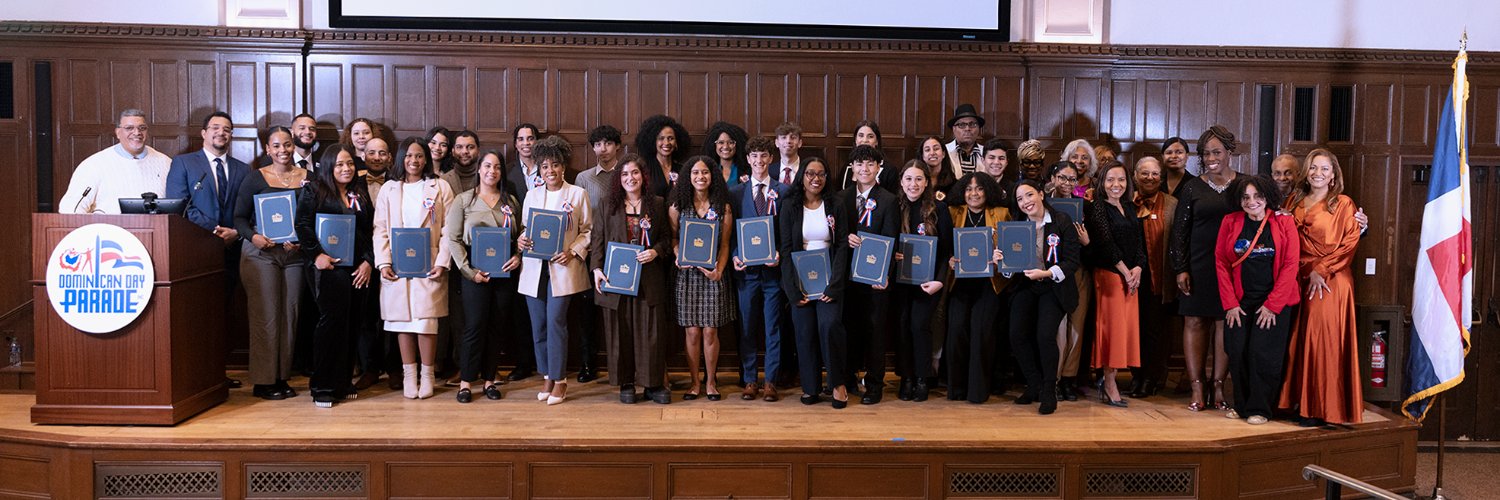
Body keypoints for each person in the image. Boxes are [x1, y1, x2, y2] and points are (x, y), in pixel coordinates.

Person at [1280, 149, 1364, 426]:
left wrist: (1321, 270)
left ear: (1333, 175)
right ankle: (1302, 403)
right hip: (1300, 277)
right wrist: (1307, 271)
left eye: (1324, 169)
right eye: (1313, 167)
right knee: (1300, 340)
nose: (1318, 173)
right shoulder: (1294, 200)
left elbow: (1350, 243)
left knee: (1323, 342)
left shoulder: (1343, 204)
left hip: (1331, 280)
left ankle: (1324, 408)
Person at [374, 137, 456, 400]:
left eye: (419, 156)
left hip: (429, 265)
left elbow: (449, 229)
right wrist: (384, 262)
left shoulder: (440, 187)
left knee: (426, 322)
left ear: (426, 159)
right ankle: (409, 374)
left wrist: (442, 261)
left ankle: (427, 374)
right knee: (402, 321)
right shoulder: (389, 189)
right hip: (398, 265)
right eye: (409, 156)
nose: (414, 161)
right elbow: (381, 229)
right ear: (401, 158)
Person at [295, 144, 375, 408]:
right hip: (327, 267)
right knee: (331, 324)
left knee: (352, 322)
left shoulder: (359, 193)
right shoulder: (314, 190)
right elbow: (303, 225)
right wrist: (316, 255)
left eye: (350, 164)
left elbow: (368, 231)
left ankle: (342, 382)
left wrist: (368, 262)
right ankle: (322, 386)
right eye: (340, 164)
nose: (346, 168)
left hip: (356, 268)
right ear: (329, 166)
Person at [1215, 175, 1300, 425]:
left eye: (1257, 196)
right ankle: (1242, 406)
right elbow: (1221, 262)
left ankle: (1260, 409)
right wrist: (1230, 303)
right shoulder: (1230, 222)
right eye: (1246, 197)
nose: (1252, 202)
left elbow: (1290, 265)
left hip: (1274, 303)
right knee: (1237, 351)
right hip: (1239, 303)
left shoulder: (1283, 222)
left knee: (1262, 354)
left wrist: (1273, 306)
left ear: (1267, 197)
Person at [590, 154, 673, 404]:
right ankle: (626, 383)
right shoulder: (607, 204)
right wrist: (596, 269)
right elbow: (597, 241)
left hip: (649, 279)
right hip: (616, 279)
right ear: (619, 179)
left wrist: (656, 251)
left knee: (652, 333)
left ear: (643, 176)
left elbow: (668, 239)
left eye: (635, 173)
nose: (630, 178)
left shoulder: (657, 204)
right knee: (621, 332)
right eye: (625, 174)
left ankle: (652, 384)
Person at [516, 136, 592, 405]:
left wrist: (572, 250)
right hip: (535, 268)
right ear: (539, 169)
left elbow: (588, 231)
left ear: (563, 167)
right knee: (539, 326)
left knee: (556, 322)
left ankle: (560, 380)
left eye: (556, 165)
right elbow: (525, 228)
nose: (551, 171)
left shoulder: (577, 194)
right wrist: (521, 240)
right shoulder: (531, 195)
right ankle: (546, 374)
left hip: (563, 268)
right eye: (545, 166)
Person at [1169, 125, 1241, 411]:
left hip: (1233, 267)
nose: (1211, 158)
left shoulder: (1244, 185)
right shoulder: (1192, 187)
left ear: (1229, 153)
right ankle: (1197, 386)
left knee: (1225, 323)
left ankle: (1219, 386)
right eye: (1205, 153)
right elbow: (1179, 231)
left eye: (1216, 152)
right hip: (1198, 265)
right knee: (1195, 322)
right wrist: (1180, 267)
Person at [442, 150, 523, 403]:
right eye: (487, 166)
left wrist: (518, 256)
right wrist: (469, 271)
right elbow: (453, 239)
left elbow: (520, 234)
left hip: (503, 273)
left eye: (497, 167)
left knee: (496, 327)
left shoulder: (510, 202)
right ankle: (466, 382)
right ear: (479, 169)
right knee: (474, 327)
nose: (492, 171)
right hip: (474, 273)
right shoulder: (464, 201)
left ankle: (489, 379)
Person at [231, 126, 305, 400]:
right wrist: (254, 236)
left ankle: (281, 377)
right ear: (267, 149)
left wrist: (301, 240)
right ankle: (263, 382)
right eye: (276, 146)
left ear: (293, 146)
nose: (283, 151)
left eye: (287, 145)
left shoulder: (307, 178)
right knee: (266, 317)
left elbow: (311, 216)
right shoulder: (255, 178)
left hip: (294, 256)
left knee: (290, 316)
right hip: (261, 255)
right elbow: (238, 218)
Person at [1002, 180, 1082, 415]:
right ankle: (1034, 383)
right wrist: (1002, 260)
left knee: (1045, 335)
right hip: (1025, 285)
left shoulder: (1061, 221)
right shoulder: (1016, 226)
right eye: (1020, 199)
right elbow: (1009, 270)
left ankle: (1049, 389)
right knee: (1016, 334)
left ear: (1040, 194)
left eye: (1029, 195)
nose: (1026, 202)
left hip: (1053, 286)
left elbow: (1071, 261)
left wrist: (1046, 273)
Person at [779, 157, 850, 409]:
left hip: (831, 279)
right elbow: (786, 249)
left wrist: (836, 284)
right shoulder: (789, 206)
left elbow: (842, 245)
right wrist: (792, 290)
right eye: (810, 173)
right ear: (802, 177)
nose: (815, 178)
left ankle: (837, 384)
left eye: (821, 174)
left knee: (830, 326)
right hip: (799, 280)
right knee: (804, 332)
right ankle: (810, 387)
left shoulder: (836, 204)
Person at [668, 155, 736, 401]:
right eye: (695, 173)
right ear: (688, 177)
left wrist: (719, 269)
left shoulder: (723, 207)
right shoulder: (677, 207)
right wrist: (677, 255)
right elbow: (674, 240)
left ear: (713, 176)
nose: (700, 177)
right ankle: (694, 382)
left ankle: (711, 381)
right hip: (687, 277)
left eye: (705, 172)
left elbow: (726, 245)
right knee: (692, 332)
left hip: (713, 276)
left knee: (710, 332)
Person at [838, 145, 900, 404]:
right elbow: (832, 235)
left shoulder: (888, 199)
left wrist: (885, 273)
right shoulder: (840, 197)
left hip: (875, 276)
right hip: (846, 276)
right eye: (860, 164)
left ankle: (875, 383)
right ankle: (850, 377)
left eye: (870, 164)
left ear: (878, 168)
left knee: (875, 331)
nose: (865, 169)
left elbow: (891, 238)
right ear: (852, 169)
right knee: (849, 328)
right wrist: (845, 238)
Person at [730, 136, 789, 402]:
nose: (759, 161)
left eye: (764, 156)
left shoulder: (783, 191)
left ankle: (771, 381)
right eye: (754, 156)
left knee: (773, 327)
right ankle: (751, 379)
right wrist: (733, 255)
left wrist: (779, 254)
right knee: (747, 327)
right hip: (746, 274)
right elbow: (730, 235)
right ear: (747, 159)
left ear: (771, 158)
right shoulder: (736, 193)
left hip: (773, 273)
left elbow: (786, 232)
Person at [943, 172, 1009, 404]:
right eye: (969, 189)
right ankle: (957, 389)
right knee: (957, 330)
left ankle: (978, 391)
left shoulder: (1001, 214)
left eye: (979, 188)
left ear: (987, 190)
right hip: (959, 282)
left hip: (989, 283)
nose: (973, 193)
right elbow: (944, 246)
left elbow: (1011, 247)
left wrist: (1000, 255)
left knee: (982, 332)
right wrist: (950, 259)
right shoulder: (954, 212)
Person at [890, 160, 951, 402]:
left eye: (918, 179)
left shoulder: (939, 209)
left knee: (920, 326)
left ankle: (923, 378)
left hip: (929, 283)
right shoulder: (894, 207)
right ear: (901, 182)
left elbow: (948, 251)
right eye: (908, 179)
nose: (913, 184)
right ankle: (906, 377)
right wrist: (893, 255)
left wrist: (939, 281)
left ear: (926, 182)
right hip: (901, 281)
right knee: (903, 326)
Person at [1086, 160, 1144, 408]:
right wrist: (1124, 270)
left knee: (1126, 331)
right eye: (1110, 179)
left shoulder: (1129, 207)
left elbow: (1139, 244)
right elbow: (1105, 243)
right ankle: (1109, 383)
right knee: (1113, 331)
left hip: (1131, 278)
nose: (1116, 185)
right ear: (1102, 183)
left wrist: (1138, 268)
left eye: (1121, 179)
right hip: (1110, 276)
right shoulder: (1097, 207)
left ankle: (1114, 379)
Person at [573, 124, 627, 384]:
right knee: (586, 314)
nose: (602, 149)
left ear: (618, 146)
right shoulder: (583, 178)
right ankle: (588, 364)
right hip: (592, 253)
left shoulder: (627, 174)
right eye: (597, 144)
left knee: (620, 312)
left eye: (607, 143)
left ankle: (622, 365)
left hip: (622, 253)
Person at [353, 136, 400, 391]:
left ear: (390, 157)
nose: (377, 157)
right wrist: (368, 260)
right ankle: (370, 368)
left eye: (382, 153)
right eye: (372, 153)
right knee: (366, 316)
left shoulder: (399, 184)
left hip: (393, 259)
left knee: (393, 315)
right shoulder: (352, 184)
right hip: (362, 261)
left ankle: (394, 368)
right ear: (363, 155)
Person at [59, 108, 172, 214]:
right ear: (118, 132)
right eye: (129, 128)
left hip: (157, 232)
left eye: (142, 128)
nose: (137, 133)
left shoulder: (165, 162)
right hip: (110, 232)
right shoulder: (94, 165)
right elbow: (70, 209)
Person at [1129, 156, 1177, 398]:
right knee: (1132, 330)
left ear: (1161, 177)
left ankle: (1150, 378)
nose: (1149, 178)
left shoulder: (1172, 204)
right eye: (1144, 173)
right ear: (1135, 175)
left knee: (1154, 331)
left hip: (1159, 279)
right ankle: (1135, 376)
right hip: (1128, 279)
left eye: (1155, 174)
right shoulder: (1126, 203)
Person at [1044, 161, 1092, 401]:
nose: (1067, 183)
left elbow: (1096, 247)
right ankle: (1052, 379)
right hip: (1052, 272)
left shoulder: (1087, 207)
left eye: (1072, 179)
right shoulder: (1041, 202)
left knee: (1076, 327)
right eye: (1062, 177)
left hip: (1079, 271)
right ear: (1053, 177)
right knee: (1057, 329)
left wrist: (1086, 242)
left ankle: (1068, 379)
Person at [638, 115, 691, 198]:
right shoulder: (644, 168)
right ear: (653, 141)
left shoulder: (683, 169)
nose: (666, 143)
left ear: (677, 142)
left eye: (670, 138)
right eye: (661, 138)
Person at [840, 120, 897, 192]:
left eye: (870, 136)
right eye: (861, 136)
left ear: (877, 141)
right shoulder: (847, 167)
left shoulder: (889, 170)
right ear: (855, 140)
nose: (865, 140)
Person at [945, 104, 985, 179]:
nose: (967, 128)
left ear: (979, 129)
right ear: (954, 129)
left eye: (972, 124)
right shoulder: (944, 151)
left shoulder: (986, 152)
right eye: (962, 125)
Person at [704, 121, 748, 187]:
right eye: (721, 142)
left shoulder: (748, 170)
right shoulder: (707, 169)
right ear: (714, 145)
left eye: (731, 142)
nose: (725, 147)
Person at [507, 123, 542, 200]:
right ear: (515, 144)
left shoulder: (547, 169)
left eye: (530, 138)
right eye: (521, 139)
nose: (526, 143)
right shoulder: (507, 171)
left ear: (537, 142)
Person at [919, 136, 957, 201]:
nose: (932, 153)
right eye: (927, 150)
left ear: (943, 154)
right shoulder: (916, 180)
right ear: (923, 156)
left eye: (936, 149)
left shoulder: (953, 183)